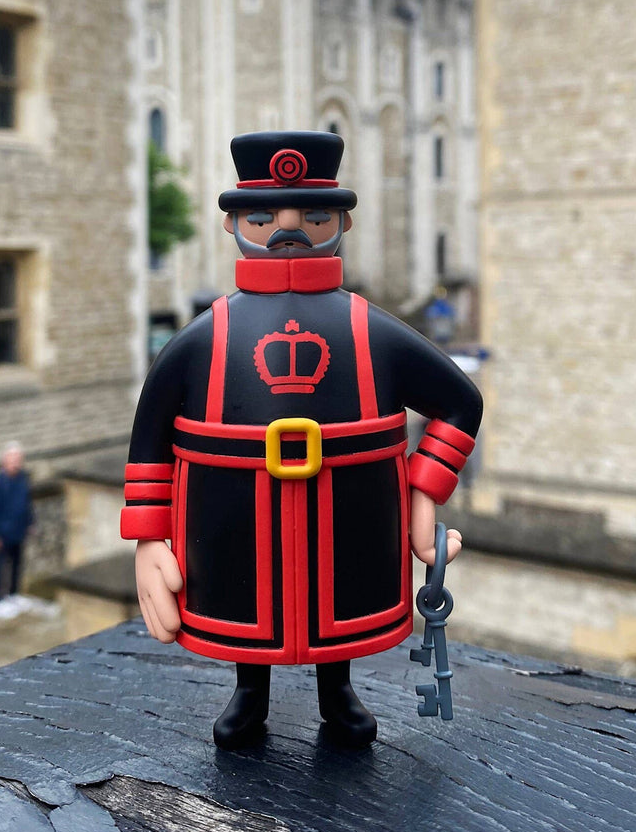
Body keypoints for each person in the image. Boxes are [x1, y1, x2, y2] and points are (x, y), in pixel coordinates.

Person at [121, 131, 482, 749]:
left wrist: (423, 496)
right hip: (235, 517)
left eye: (313, 216)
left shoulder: (372, 330)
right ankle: (248, 693)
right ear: (233, 224)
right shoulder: (204, 337)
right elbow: (149, 438)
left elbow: (461, 401)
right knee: (246, 602)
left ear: (341, 221)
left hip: (349, 515)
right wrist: (149, 539)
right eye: (263, 217)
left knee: (335, 604)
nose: (288, 230)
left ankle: (336, 691)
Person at [0, 441, 35, 605]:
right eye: (13, 459)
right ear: (5, 460)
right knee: (0, 566)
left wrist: (30, 523)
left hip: (18, 532)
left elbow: (27, 504)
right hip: (1, 534)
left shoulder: (22, 479)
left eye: (19, 459)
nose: (16, 463)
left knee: (17, 565)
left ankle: (13, 594)